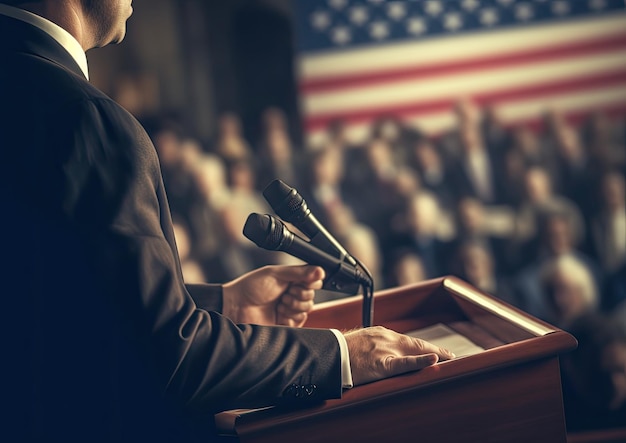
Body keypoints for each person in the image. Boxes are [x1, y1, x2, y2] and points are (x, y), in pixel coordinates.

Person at [0, 1, 454, 442]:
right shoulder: (84, 117)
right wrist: (343, 354)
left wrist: (221, 304)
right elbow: (167, 360)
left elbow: (55, 301)